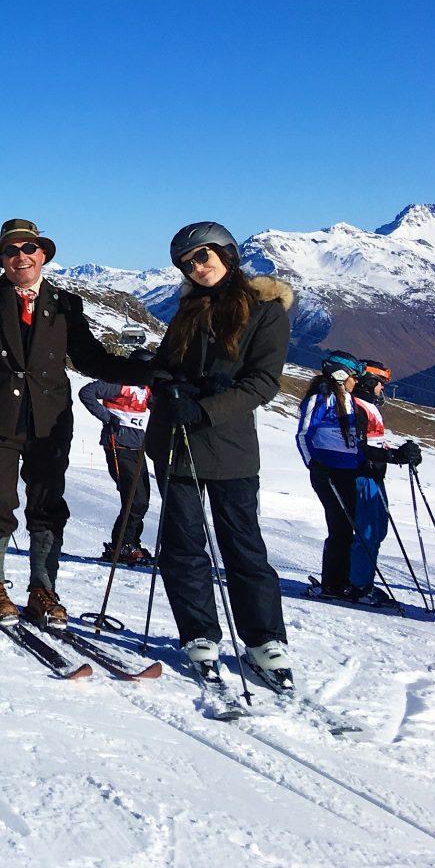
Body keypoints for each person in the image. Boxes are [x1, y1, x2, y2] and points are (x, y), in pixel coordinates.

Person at [0, 219, 146, 625]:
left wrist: (149, 374)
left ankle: (43, 589)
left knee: (47, 504)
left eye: (28, 248)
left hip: (50, 420)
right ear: (2, 258)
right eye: (11, 251)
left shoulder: (66, 304)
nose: (21, 256)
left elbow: (90, 359)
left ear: (42, 254)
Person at [147, 221, 297, 686]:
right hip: (175, 444)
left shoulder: (265, 311)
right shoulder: (187, 308)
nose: (197, 266)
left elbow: (263, 381)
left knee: (244, 547)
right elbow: (169, 365)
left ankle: (263, 640)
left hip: (229, 445)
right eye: (187, 262)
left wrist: (204, 409)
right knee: (184, 545)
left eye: (203, 255)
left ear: (227, 253)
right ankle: (198, 633)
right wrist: (166, 385)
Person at [297, 351, 420, 605]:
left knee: (349, 528)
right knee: (342, 528)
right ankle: (339, 584)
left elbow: (355, 444)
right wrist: (313, 464)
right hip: (329, 472)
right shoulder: (321, 399)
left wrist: (391, 456)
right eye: (353, 376)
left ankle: (341, 583)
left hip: (349, 471)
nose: (356, 380)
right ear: (341, 376)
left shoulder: (348, 401)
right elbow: (304, 435)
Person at [78, 349, 156, 564]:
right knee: (134, 499)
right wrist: (107, 417)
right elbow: (87, 392)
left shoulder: (146, 388)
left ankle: (129, 542)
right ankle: (123, 546)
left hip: (137, 448)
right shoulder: (120, 383)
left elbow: (155, 406)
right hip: (118, 446)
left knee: (141, 500)